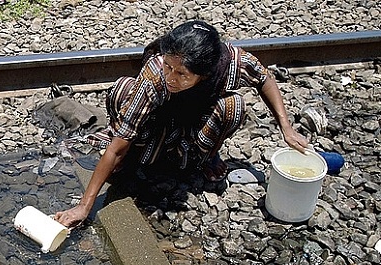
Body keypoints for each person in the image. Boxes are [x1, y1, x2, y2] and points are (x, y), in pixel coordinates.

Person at [54, 20, 309, 228]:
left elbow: (263, 78)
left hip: (192, 132)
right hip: (156, 128)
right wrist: (84, 206)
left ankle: (202, 158)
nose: (170, 78)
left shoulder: (231, 63)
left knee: (234, 106)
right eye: (168, 66)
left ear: (204, 74)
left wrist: (285, 126)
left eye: (181, 74)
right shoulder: (156, 74)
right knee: (123, 90)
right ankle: (141, 158)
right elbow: (116, 146)